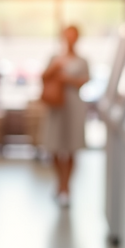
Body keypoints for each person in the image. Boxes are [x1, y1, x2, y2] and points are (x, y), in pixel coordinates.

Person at [41, 25, 90, 207]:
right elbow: (43, 77)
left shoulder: (83, 60)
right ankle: (58, 184)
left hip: (73, 106)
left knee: (71, 147)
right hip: (56, 106)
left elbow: (85, 81)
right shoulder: (55, 58)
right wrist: (55, 69)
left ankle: (66, 187)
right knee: (54, 146)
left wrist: (68, 79)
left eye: (73, 36)